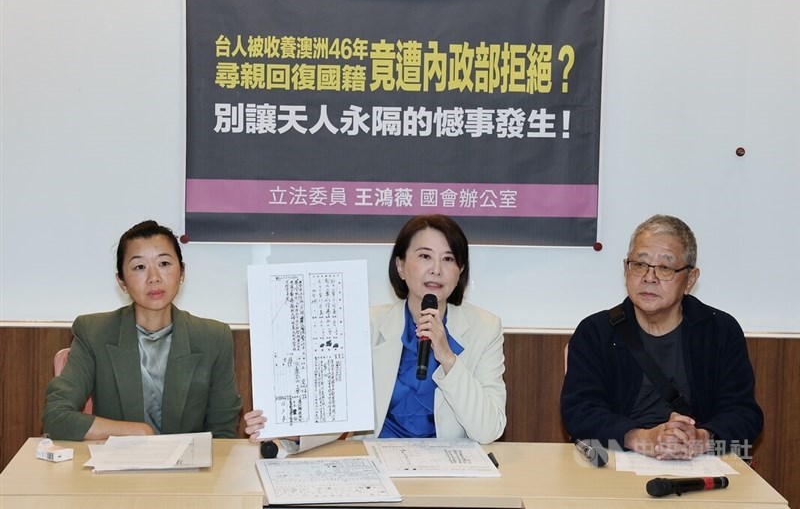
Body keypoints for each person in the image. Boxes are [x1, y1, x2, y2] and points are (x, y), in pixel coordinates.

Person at [244, 214, 506, 451]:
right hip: (375, 460)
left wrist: (448, 357)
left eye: (448, 259)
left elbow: (489, 429)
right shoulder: (364, 324)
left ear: (460, 272)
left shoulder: (485, 328)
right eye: (425, 256)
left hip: (449, 467)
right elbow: (336, 412)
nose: (436, 269)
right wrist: (285, 428)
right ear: (401, 266)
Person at [561, 214, 763, 460]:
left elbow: (744, 414)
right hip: (619, 457)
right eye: (639, 264)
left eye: (665, 268)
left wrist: (702, 438)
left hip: (699, 460)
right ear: (626, 270)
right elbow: (579, 412)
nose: (649, 277)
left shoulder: (720, 331)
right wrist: (640, 438)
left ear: (690, 279)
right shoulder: (596, 331)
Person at [43, 220, 242, 440]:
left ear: (182, 272)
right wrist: (139, 431)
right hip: (116, 471)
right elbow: (56, 416)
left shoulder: (213, 338)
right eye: (139, 267)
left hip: (191, 472)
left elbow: (223, 436)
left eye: (164, 264)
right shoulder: (94, 333)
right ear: (122, 282)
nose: (154, 277)